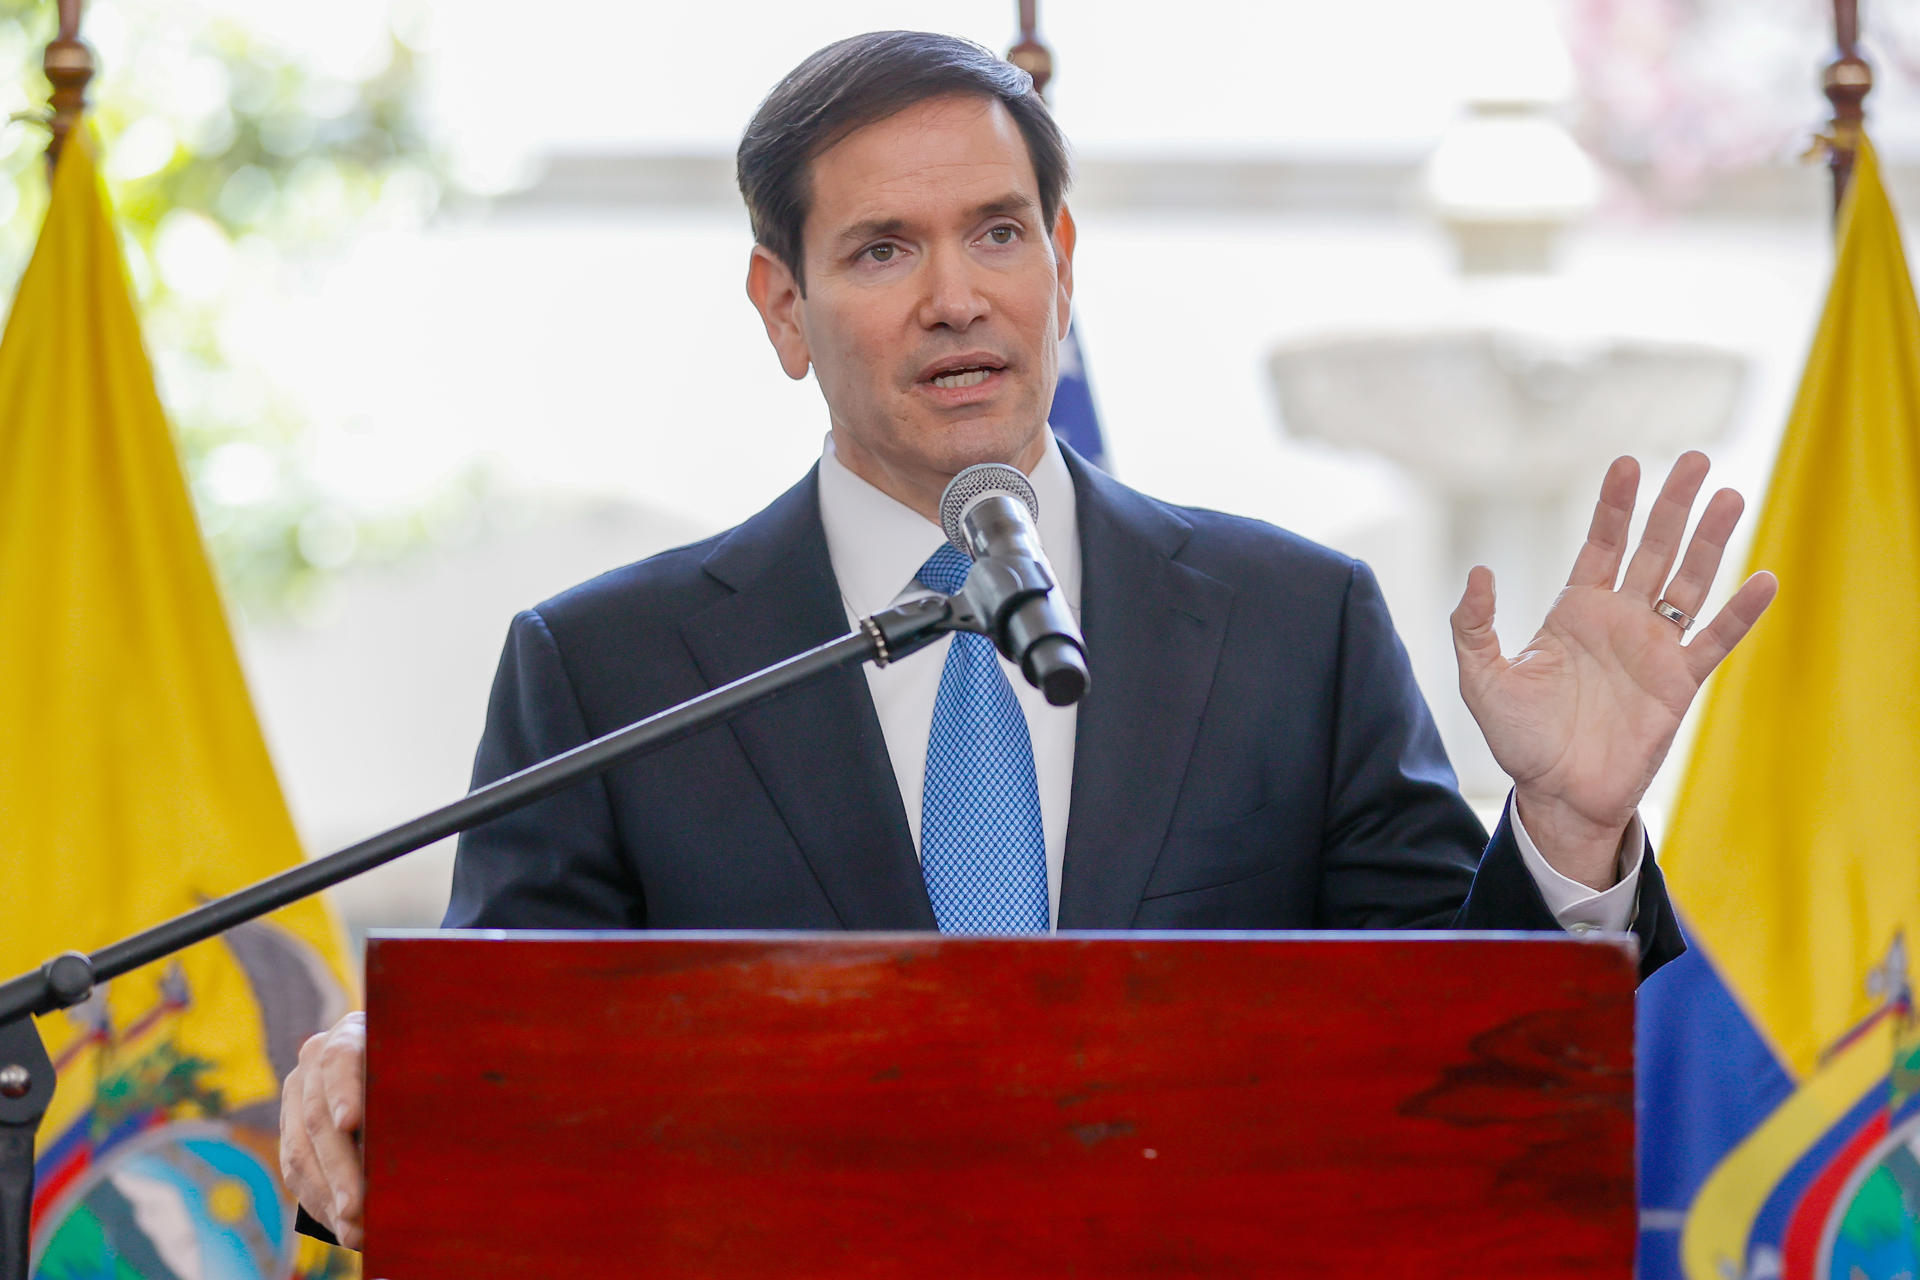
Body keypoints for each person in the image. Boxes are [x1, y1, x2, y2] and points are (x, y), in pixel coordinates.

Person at [279, 31, 1777, 1249]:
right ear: (781, 307)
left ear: (1062, 254)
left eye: (998, 232)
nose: (957, 297)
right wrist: (385, 1060)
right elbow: (510, 1055)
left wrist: (1572, 833)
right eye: (880, 251)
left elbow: (1452, 1075)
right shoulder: (612, 669)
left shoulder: (1289, 625)